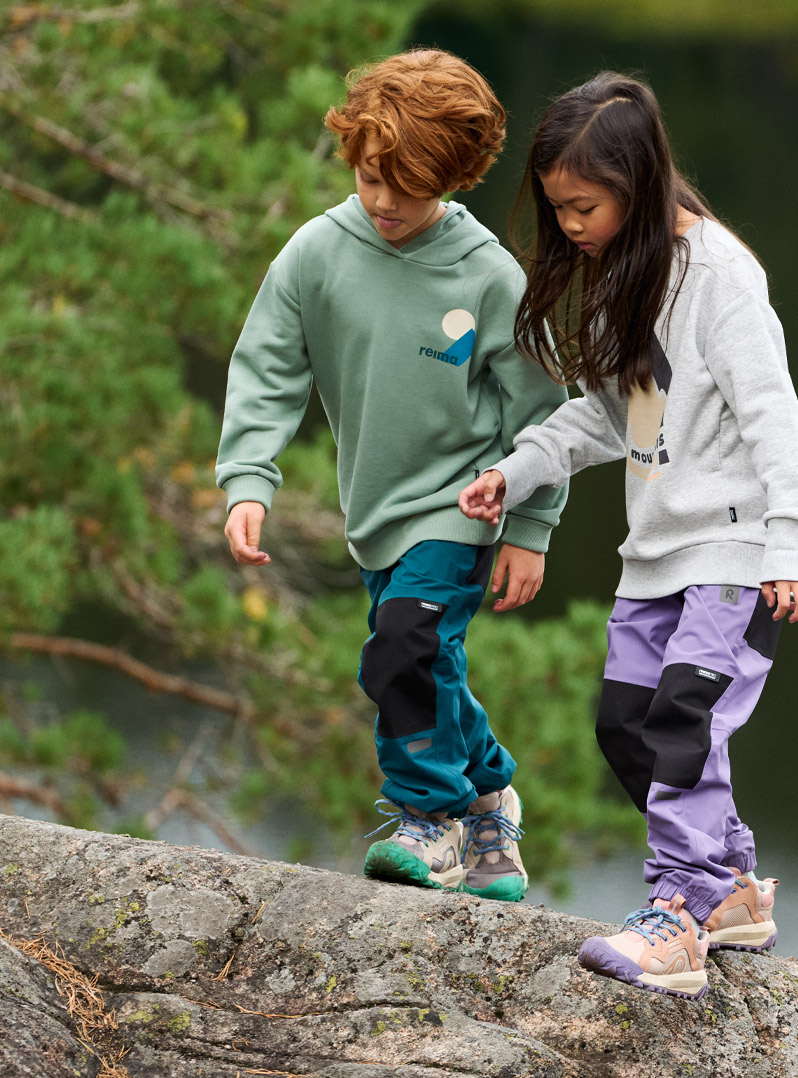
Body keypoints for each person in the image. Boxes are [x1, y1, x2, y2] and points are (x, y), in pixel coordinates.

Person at [459, 72, 798, 999]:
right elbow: (605, 418)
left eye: (584, 206)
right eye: (559, 210)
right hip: (655, 558)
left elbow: (776, 418)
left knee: (682, 725)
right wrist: (518, 469)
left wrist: (793, 541)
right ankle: (735, 886)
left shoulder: (723, 282)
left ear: (636, 178)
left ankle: (682, 915)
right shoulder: (630, 276)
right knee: (627, 726)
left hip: (738, 555)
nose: (572, 226)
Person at [217, 49, 568, 902]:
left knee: (405, 645)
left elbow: (543, 411)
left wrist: (528, 526)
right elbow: (268, 366)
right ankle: (489, 791)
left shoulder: (488, 276)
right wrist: (248, 479)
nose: (383, 202)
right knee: (427, 658)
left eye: (407, 190)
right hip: (375, 510)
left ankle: (431, 820)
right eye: (373, 178)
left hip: (463, 504)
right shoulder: (317, 253)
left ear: (456, 178)